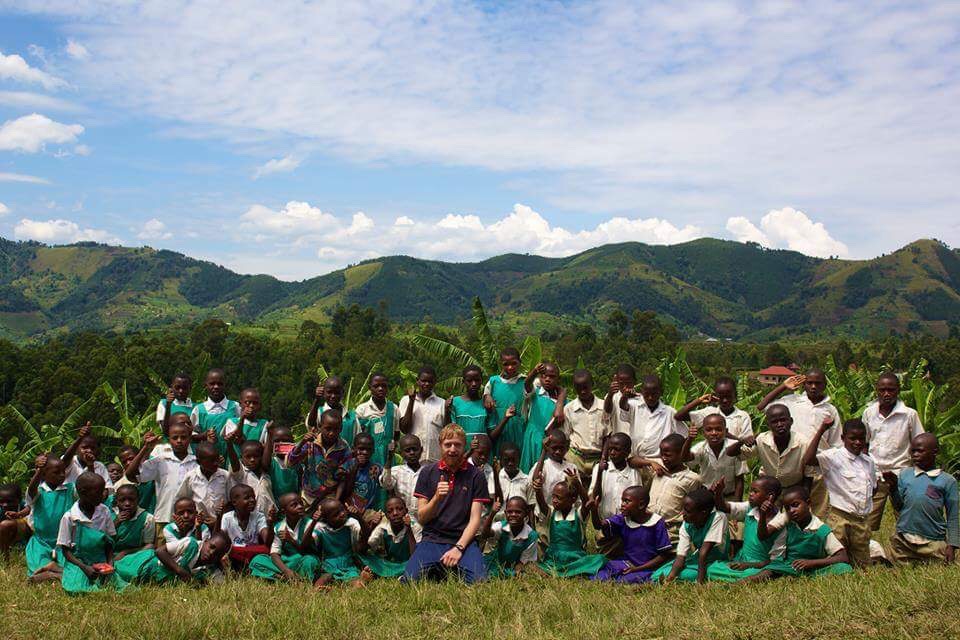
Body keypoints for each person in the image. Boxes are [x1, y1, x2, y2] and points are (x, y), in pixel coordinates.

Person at [403, 424, 490, 583]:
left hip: (463, 540)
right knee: (409, 580)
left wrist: (459, 548)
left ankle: (448, 565)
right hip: (432, 538)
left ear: (464, 447)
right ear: (440, 446)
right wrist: (436, 498)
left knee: (480, 581)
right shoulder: (427, 472)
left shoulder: (476, 475)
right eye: (448, 444)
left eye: (457, 445)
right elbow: (422, 518)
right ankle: (443, 567)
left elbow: (475, 520)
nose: (452, 449)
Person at [758, 370, 841, 517]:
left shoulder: (830, 410)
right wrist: (783, 386)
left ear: (825, 385)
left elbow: (836, 443)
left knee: (815, 512)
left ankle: (811, 538)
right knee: (783, 512)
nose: (813, 386)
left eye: (818, 383)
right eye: (809, 383)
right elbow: (762, 406)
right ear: (804, 384)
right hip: (793, 464)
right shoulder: (791, 401)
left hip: (817, 468)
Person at [802, 417, 876, 567]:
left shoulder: (868, 462)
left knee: (862, 563)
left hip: (861, 520)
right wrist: (822, 430)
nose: (857, 442)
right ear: (843, 438)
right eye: (852, 438)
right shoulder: (833, 457)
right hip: (840, 518)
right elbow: (808, 459)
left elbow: (872, 488)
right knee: (835, 557)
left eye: (861, 439)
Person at [862, 372, 924, 531]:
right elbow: (864, 443)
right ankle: (863, 552)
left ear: (898, 390)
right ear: (877, 390)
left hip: (902, 473)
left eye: (891, 390)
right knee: (867, 522)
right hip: (875, 474)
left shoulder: (909, 415)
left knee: (905, 518)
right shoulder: (869, 413)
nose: (886, 394)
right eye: (882, 390)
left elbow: (920, 443)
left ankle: (908, 550)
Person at [884, 433, 958, 565]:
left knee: (941, 564)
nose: (915, 454)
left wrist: (952, 546)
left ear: (935, 452)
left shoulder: (947, 481)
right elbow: (900, 507)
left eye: (920, 451)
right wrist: (894, 489)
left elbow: (953, 516)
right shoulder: (905, 475)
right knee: (892, 561)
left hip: (932, 541)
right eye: (913, 451)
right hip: (904, 539)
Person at [125, 424, 198, 544]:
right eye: (175, 437)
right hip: (164, 518)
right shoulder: (160, 461)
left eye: (183, 437)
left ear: (190, 438)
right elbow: (131, 475)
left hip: (190, 520)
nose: (179, 441)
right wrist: (146, 448)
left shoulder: (196, 462)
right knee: (162, 555)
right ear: (169, 440)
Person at [706, 477, 786, 582]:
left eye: (755, 491)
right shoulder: (750, 508)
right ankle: (745, 578)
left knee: (758, 573)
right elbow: (724, 507)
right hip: (741, 560)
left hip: (759, 565)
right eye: (750, 491)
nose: (750, 494)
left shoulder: (780, 524)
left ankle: (750, 578)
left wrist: (748, 565)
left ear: (770, 496)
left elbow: (776, 561)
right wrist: (719, 492)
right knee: (712, 568)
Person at [763, 485, 853, 577]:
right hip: (790, 566)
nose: (791, 511)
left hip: (815, 569)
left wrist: (812, 563)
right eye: (787, 508)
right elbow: (775, 549)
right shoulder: (789, 527)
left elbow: (842, 557)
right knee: (769, 571)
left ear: (808, 503)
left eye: (795, 505)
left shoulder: (821, 529)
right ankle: (747, 583)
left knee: (844, 568)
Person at [590, 485, 673, 584]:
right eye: (622, 501)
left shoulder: (657, 523)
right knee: (600, 573)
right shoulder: (623, 519)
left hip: (646, 567)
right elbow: (599, 526)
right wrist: (594, 511)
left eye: (627, 501)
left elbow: (664, 555)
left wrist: (637, 569)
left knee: (626, 580)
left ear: (641, 505)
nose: (622, 505)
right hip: (626, 563)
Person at [57, 472, 120, 594]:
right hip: (79, 561)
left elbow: (109, 542)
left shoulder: (104, 511)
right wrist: (85, 568)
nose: (103, 495)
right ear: (83, 492)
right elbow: (66, 551)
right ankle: (58, 574)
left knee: (115, 586)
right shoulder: (70, 517)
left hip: (100, 560)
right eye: (98, 492)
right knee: (76, 588)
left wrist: (110, 564)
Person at [651, 487, 728, 584]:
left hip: (714, 562)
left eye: (688, 511)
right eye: (683, 509)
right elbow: (681, 556)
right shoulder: (687, 523)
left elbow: (704, 553)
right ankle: (687, 577)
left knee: (715, 572)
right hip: (696, 561)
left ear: (703, 513)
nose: (683, 513)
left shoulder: (718, 517)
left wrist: (699, 582)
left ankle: (699, 577)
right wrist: (670, 578)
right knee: (659, 574)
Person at [535, 478, 605, 578]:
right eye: (553, 496)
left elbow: (586, 503)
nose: (554, 500)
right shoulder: (551, 513)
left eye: (559, 498)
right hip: (554, 557)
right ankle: (570, 572)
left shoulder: (579, 515)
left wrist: (578, 485)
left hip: (575, 557)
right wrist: (538, 490)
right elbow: (541, 503)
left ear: (573, 499)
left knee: (600, 559)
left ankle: (565, 571)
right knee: (538, 566)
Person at [249, 492, 323, 583]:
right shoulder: (279, 527)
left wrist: (291, 540)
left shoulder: (310, 524)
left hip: (302, 560)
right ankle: (287, 578)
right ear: (284, 511)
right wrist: (286, 570)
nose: (300, 507)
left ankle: (292, 579)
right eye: (294, 505)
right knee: (257, 560)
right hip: (287, 562)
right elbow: (274, 553)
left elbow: (306, 548)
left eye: (301, 503)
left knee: (310, 561)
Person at [618, 374, 688, 469]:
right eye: (647, 394)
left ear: (661, 392)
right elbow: (623, 407)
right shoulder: (635, 406)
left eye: (654, 394)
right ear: (642, 392)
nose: (650, 397)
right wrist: (625, 397)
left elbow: (684, 436)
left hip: (659, 464)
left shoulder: (669, 412)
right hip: (636, 462)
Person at [114, 530, 231, 585]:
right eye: (211, 547)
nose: (211, 553)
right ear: (205, 541)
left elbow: (223, 586)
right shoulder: (190, 544)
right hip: (147, 565)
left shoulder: (211, 569)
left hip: (156, 581)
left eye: (217, 554)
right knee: (119, 571)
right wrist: (180, 571)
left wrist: (226, 569)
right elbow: (160, 551)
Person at [589, 432, 642, 552]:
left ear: (627, 452)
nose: (612, 453)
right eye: (610, 449)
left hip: (627, 523)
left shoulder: (633, 473)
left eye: (617, 450)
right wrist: (600, 473)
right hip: (605, 523)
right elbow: (596, 496)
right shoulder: (600, 469)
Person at [286, 409, 352, 505]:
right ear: (320, 427)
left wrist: (336, 501)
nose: (331, 433)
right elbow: (290, 463)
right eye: (328, 429)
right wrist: (302, 442)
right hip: (308, 495)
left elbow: (343, 478)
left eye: (335, 429)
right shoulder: (311, 443)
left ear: (341, 429)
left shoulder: (344, 448)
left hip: (329, 496)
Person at [676, 376, 755, 455]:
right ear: (715, 396)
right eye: (721, 397)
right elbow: (679, 416)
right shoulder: (709, 412)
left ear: (735, 395)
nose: (725, 400)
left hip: (735, 463)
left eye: (728, 396)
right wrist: (699, 401)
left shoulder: (743, 416)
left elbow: (748, 445)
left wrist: (727, 435)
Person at [24, 454, 73, 581]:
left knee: (70, 565)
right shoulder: (39, 491)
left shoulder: (70, 490)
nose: (62, 475)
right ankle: (51, 571)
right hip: (41, 541)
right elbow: (31, 489)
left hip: (64, 542)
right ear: (44, 475)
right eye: (57, 472)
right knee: (37, 564)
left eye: (63, 471)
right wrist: (39, 470)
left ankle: (54, 572)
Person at [648, 433, 702, 542]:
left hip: (671, 529)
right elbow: (632, 460)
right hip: (649, 524)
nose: (664, 458)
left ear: (681, 454)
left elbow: (693, 506)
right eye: (661, 454)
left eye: (668, 455)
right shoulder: (657, 469)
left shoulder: (692, 479)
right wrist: (651, 462)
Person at [748, 404, 809, 492]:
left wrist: (804, 494)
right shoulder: (761, 440)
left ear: (791, 421)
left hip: (795, 487)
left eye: (783, 420)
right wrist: (743, 440)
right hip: (769, 488)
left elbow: (809, 473)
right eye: (774, 422)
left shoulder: (803, 442)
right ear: (768, 425)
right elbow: (735, 453)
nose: (779, 424)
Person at [563, 369, 610, 478]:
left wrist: (604, 458)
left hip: (598, 459)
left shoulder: (603, 407)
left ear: (592, 384)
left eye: (585, 387)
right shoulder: (569, 409)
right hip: (576, 457)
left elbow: (608, 436)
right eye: (579, 388)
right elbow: (566, 437)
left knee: (596, 492)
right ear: (574, 388)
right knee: (572, 490)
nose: (583, 391)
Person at [520, 362, 566, 472]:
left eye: (552, 377)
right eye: (544, 376)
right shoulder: (535, 394)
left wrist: (561, 398)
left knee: (546, 471)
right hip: (533, 437)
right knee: (529, 469)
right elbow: (526, 385)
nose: (547, 379)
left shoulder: (563, 402)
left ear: (558, 379)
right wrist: (534, 372)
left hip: (551, 442)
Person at [314, 497, 370, 588]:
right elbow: (309, 544)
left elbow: (367, 534)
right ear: (326, 519)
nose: (342, 514)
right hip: (329, 564)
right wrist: (313, 521)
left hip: (347, 563)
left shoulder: (351, 524)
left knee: (352, 576)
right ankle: (318, 588)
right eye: (336, 514)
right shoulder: (321, 529)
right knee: (326, 576)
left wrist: (359, 517)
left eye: (342, 510)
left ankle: (360, 582)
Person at [360, 496, 422, 579]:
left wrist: (409, 530)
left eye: (400, 509)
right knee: (364, 557)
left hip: (407, 563)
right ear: (386, 515)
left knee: (418, 564)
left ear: (406, 511)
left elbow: (415, 555)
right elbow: (365, 549)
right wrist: (372, 527)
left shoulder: (415, 527)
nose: (395, 513)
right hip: (389, 564)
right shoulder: (383, 528)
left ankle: (381, 573)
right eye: (390, 511)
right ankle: (378, 572)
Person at [530, 430, 580, 527]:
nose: (558, 452)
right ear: (548, 447)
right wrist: (543, 451)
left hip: (566, 518)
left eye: (561, 448)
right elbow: (535, 480)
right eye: (554, 448)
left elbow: (576, 492)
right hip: (546, 515)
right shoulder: (543, 465)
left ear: (566, 448)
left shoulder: (572, 467)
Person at [480, 496, 539, 577]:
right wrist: (492, 513)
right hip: (496, 561)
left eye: (518, 512)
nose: (513, 515)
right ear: (505, 513)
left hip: (515, 566)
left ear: (525, 513)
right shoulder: (501, 526)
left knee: (519, 575)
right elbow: (485, 534)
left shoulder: (531, 536)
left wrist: (516, 572)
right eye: (510, 512)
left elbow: (522, 563)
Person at [483, 347, 527, 457]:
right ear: (501, 364)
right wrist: (487, 396)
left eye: (514, 363)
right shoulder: (493, 382)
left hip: (518, 430)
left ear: (519, 363)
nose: (510, 367)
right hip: (498, 429)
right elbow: (485, 397)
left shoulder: (525, 382)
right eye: (506, 364)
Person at [398, 366, 446, 464]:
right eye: (423, 381)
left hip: (435, 459)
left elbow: (446, 431)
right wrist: (411, 401)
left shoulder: (442, 403)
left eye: (430, 381)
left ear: (435, 382)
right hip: (412, 461)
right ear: (417, 381)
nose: (427, 384)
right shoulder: (405, 400)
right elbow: (404, 428)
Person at [190, 368, 241, 458]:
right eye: (212, 384)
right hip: (208, 459)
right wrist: (204, 435)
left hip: (232, 457)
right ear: (206, 385)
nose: (216, 387)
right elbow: (191, 436)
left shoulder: (235, 406)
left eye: (220, 384)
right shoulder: (199, 410)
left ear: (225, 385)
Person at [175, 441, 230, 522]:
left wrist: (222, 513)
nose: (216, 463)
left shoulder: (225, 476)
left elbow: (232, 501)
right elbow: (182, 500)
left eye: (217, 459)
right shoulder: (191, 477)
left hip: (222, 523)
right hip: (200, 525)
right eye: (211, 461)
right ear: (199, 462)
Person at [221, 484, 271, 569]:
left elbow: (267, 541)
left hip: (253, 553)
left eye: (253, 497)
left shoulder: (258, 516)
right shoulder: (227, 518)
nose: (252, 500)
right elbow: (222, 540)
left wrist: (271, 523)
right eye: (247, 498)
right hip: (235, 555)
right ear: (234, 502)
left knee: (267, 550)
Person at [447, 365, 498, 448]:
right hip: (461, 453)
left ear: (481, 381)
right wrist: (446, 410)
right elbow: (450, 430)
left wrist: (505, 418)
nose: (473, 384)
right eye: (469, 381)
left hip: (483, 454)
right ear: (463, 382)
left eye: (477, 380)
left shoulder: (487, 404)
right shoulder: (455, 402)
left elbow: (492, 434)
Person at [355, 372, 399, 467]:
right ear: (370, 387)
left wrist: (391, 448)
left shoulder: (394, 408)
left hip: (388, 457)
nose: (380, 389)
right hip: (368, 457)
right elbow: (358, 436)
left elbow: (396, 433)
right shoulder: (362, 410)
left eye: (384, 386)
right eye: (376, 386)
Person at [226, 435, 275, 515]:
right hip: (250, 519)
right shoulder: (241, 473)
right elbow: (234, 463)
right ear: (241, 458)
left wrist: (269, 433)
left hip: (269, 517)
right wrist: (229, 445)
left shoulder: (266, 474)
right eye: (248, 457)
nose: (252, 460)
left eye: (256, 456)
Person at [61, 423, 114, 495]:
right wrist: (79, 437)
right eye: (85, 447)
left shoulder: (99, 466)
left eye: (93, 448)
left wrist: (90, 465)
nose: (89, 451)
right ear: (77, 449)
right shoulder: (71, 460)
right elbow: (63, 463)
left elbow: (106, 489)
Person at [307, 376, 360, 446]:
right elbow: (311, 424)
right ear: (324, 392)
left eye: (337, 393)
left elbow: (358, 440)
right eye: (329, 392)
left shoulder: (352, 417)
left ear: (342, 392)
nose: (333, 396)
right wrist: (317, 399)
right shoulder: (319, 412)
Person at [381, 435, 424, 522]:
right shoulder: (396, 471)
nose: (412, 453)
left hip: (423, 518)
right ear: (401, 453)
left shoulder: (427, 471)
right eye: (407, 450)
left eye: (415, 449)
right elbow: (386, 484)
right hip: (402, 519)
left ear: (421, 450)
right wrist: (390, 457)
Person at [111, 484, 155, 562]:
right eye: (122, 500)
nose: (127, 504)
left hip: (134, 555)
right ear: (117, 501)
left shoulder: (147, 518)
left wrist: (126, 553)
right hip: (111, 555)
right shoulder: (110, 515)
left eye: (131, 499)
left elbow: (148, 545)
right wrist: (115, 523)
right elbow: (103, 541)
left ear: (137, 500)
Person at [344, 432, 384, 518]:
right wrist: (355, 467)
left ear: (373, 450)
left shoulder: (376, 469)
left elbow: (387, 485)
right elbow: (345, 492)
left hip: (367, 512)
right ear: (353, 449)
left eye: (368, 449)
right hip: (347, 510)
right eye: (361, 449)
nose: (365, 452)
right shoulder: (346, 465)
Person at [223, 388, 271, 457]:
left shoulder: (264, 424)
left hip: (255, 464)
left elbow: (266, 446)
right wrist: (242, 418)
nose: (251, 406)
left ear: (260, 406)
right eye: (247, 402)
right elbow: (238, 439)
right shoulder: (231, 422)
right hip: (235, 464)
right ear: (240, 404)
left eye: (255, 403)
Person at [262, 424, 299, 504]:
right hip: (276, 506)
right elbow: (265, 465)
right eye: (277, 441)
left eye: (285, 441)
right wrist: (269, 434)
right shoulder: (271, 462)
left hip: (294, 506)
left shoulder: (297, 463)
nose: (281, 443)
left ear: (292, 442)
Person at [603, 364, 637, 435]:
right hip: (619, 442)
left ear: (634, 382)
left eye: (628, 383)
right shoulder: (613, 397)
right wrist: (610, 394)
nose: (625, 387)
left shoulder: (640, 399)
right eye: (621, 384)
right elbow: (607, 411)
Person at [0, 483, 30, 562]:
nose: (5, 505)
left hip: (23, 536)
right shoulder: (1, 510)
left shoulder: (25, 507)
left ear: (19, 499)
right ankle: (5, 556)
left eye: (9, 502)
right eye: (1, 501)